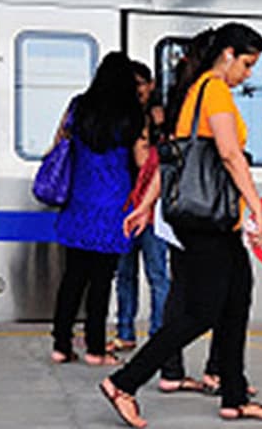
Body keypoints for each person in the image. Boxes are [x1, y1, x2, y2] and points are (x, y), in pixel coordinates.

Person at [102, 23, 262, 427]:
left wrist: (147, 205)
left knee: (236, 301)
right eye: (247, 64)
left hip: (213, 223)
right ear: (229, 54)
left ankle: (234, 397)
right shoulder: (213, 89)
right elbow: (231, 155)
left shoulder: (193, 92)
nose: (248, 75)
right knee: (201, 312)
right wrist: (258, 207)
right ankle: (123, 383)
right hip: (208, 222)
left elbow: (172, 160)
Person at [48, 51, 144, 366]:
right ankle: (95, 349)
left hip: (80, 201)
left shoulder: (80, 106)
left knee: (73, 276)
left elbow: (60, 140)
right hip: (114, 203)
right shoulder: (132, 114)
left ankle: (61, 345)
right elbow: (140, 162)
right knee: (102, 279)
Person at [110, 61, 170, 354]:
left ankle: (159, 332)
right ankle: (125, 331)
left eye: (143, 83)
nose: (139, 90)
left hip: (153, 206)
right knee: (126, 273)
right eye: (134, 85)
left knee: (157, 273)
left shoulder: (162, 119)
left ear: (152, 84)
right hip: (126, 204)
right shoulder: (124, 121)